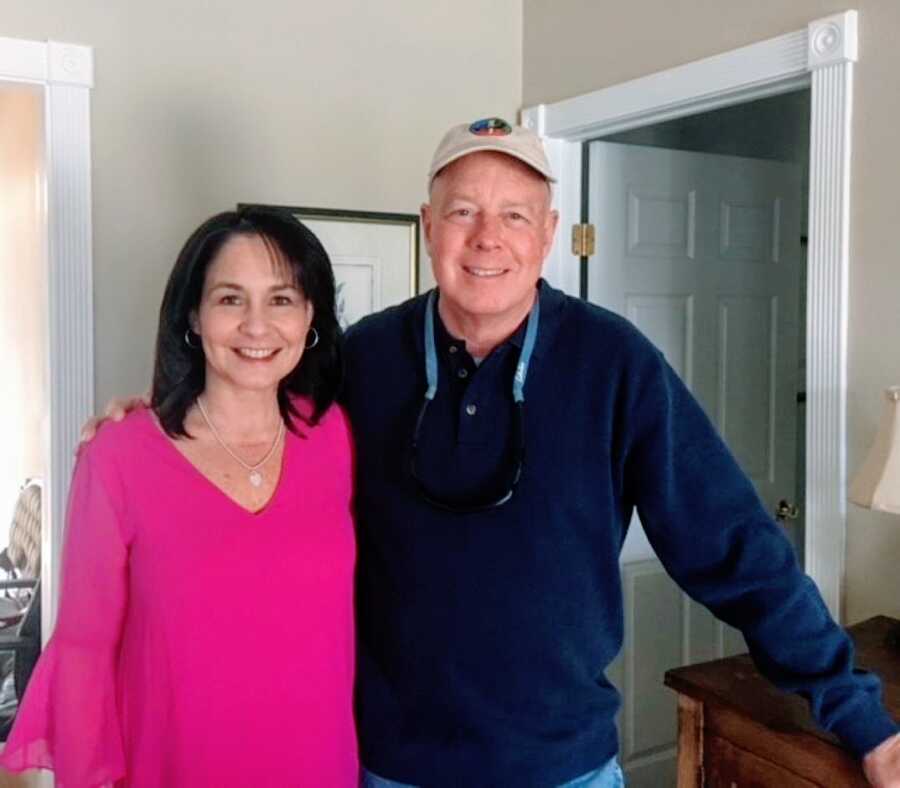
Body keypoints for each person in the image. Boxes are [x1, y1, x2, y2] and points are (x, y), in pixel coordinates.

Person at [83, 120, 900, 788]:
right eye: (463, 210)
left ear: (548, 235)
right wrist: (150, 427)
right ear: (429, 225)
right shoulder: (363, 359)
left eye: (514, 214)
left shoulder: (614, 365)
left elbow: (737, 550)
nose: (487, 238)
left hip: (560, 769)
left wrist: (855, 711)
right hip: (386, 767)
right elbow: (247, 417)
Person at [0, 206, 358, 786]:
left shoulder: (333, 435)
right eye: (230, 299)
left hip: (318, 764)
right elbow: (84, 653)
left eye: (282, 299)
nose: (257, 326)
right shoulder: (118, 458)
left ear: (311, 314)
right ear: (193, 316)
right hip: (173, 767)